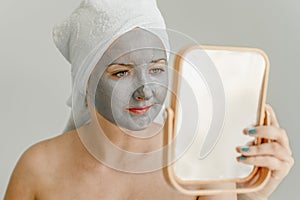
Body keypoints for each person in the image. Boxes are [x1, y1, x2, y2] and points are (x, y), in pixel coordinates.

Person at [4, 0, 294, 199]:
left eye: (156, 69)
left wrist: (252, 196)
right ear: (85, 81)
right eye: (121, 73)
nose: (145, 90)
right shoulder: (38, 168)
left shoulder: (200, 160)